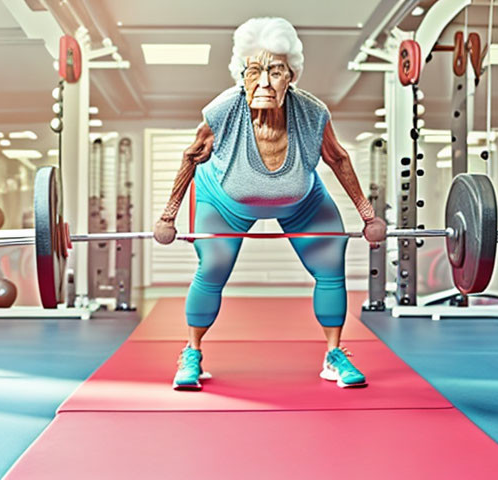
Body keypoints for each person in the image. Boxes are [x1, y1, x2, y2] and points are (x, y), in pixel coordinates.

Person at [154, 17, 386, 390]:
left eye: (275, 71)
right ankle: (192, 352)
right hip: (225, 201)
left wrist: (367, 214)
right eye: (254, 71)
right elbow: (192, 156)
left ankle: (334, 354)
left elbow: (338, 159)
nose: (264, 82)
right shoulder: (224, 110)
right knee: (212, 267)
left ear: (291, 76)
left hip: (302, 203)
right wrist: (168, 216)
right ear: (241, 75)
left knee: (331, 262)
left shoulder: (312, 113)